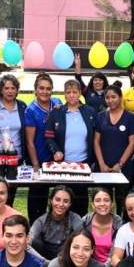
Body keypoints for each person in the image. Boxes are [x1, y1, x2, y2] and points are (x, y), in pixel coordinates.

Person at [45, 79, 97, 215]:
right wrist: (56, 150)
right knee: (62, 203)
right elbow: (49, 136)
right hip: (63, 166)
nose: (72, 95)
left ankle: (80, 232)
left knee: (81, 201)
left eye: (75, 92)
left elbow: (96, 137)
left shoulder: (90, 112)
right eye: (68, 92)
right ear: (64, 95)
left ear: (80, 93)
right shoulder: (56, 113)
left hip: (83, 165)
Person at [94, 85, 134, 215]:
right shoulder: (100, 116)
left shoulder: (131, 118)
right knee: (103, 201)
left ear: (120, 97)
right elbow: (96, 141)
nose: (110, 100)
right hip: (103, 166)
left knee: (123, 202)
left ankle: (123, 227)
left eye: (113, 97)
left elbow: (132, 143)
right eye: (107, 97)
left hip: (123, 167)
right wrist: (102, 164)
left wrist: (120, 164)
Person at [25, 72, 62, 222]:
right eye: (41, 88)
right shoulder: (31, 110)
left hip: (58, 160)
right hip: (40, 159)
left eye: (48, 88)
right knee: (38, 198)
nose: (45, 92)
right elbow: (29, 141)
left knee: (59, 198)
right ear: (35, 90)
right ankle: (35, 228)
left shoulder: (57, 103)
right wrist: (35, 165)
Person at [0, 73, 27, 207]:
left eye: (13, 88)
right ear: (1, 90)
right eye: (6, 88)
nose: (10, 91)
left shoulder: (22, 106)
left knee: (10, 194)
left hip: (16, 157)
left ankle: (9, 223)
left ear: (17, 90)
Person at [30, 185, 83, 261]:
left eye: (65, 201)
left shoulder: (75, 218)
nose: (61, 204)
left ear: (70, 204)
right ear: (51, 200)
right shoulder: (41, 220)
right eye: (57, 200)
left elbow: (82, 239)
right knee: (34, 242)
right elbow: (29, 239)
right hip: (44, 255)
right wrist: (43, 260)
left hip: (66, 254)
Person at [81, 188, 123, 267]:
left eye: (106, 200)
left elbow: (115, 253)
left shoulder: (117, 223)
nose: (102, 204)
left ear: (112, 204)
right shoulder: (86, 221)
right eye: (98, 200)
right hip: (88, 265)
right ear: (93, 204)